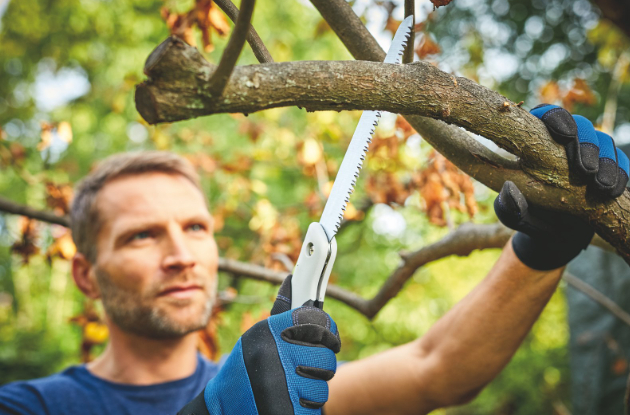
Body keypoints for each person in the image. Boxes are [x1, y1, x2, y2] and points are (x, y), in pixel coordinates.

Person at [0, 105, 627, 415]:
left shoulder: (270, 387)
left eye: (195, 226)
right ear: (85, 273)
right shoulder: (32, 407)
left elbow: (438, 367)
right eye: (142, 236)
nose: (181, 254)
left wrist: (544, 242)